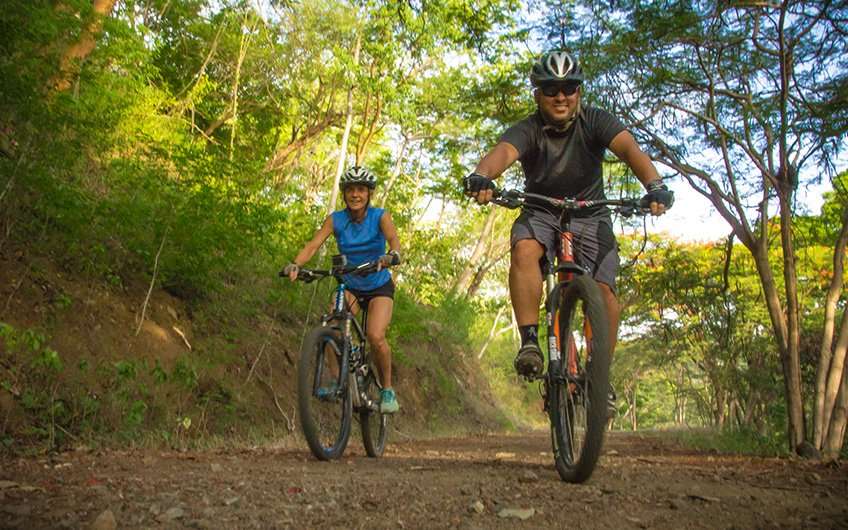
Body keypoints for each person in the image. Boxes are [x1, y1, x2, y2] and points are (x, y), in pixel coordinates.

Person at [463, 50, 674, 391]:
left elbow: (630, 150)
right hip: (541, 211)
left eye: (569, 87)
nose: (560, 96)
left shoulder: (596, 121)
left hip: (592, 214)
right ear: (538, 94)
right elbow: (502, 153)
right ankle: (530, 341)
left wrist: (655, 186)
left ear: (579, 92)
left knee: (604, 292)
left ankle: (599, 375)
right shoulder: (529, 128)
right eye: (550, 89)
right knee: (524, 249)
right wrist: (481, 176)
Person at [284, 166, 402, 414]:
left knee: (375, 336)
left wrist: (392, 255)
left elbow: (394, 240)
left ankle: (387, 390)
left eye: (361, 190)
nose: (355, 194)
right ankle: (338, 381)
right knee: (331, 326)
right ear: (344, 193)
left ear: (369, 193)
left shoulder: (380, 216)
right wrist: (296, 264)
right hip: (349, 284)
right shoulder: (335, 220)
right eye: (350, 190)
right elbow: (314, 245)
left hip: (378, 284)